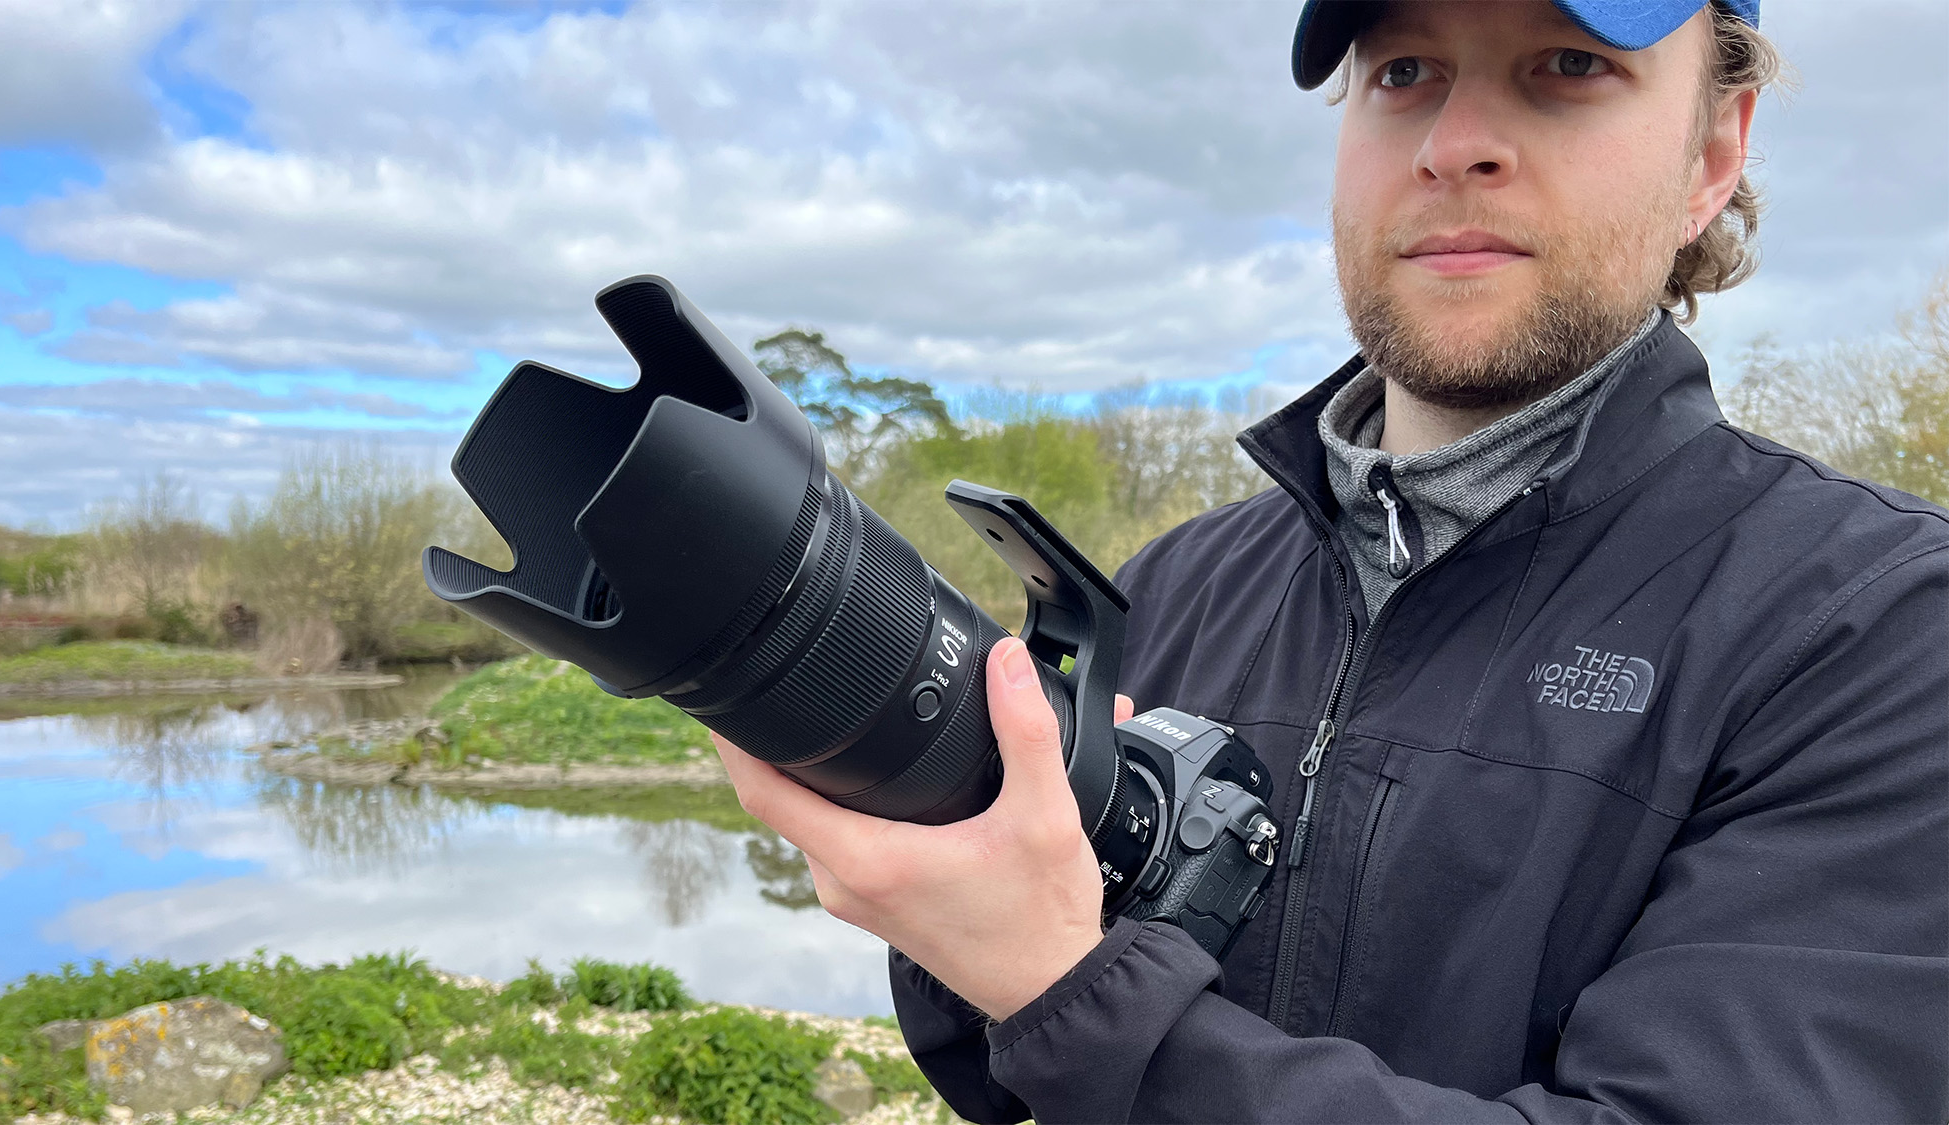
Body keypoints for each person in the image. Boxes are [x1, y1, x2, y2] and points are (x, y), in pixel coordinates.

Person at [712, 0, 1949, 1119]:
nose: (1452, 141)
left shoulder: (1875, 627)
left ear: (1711, 153)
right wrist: (932, 847)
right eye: (1402, 70)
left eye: (1566, 66)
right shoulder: (1179, 584)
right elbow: (995, 1077)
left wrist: (1069, 991)